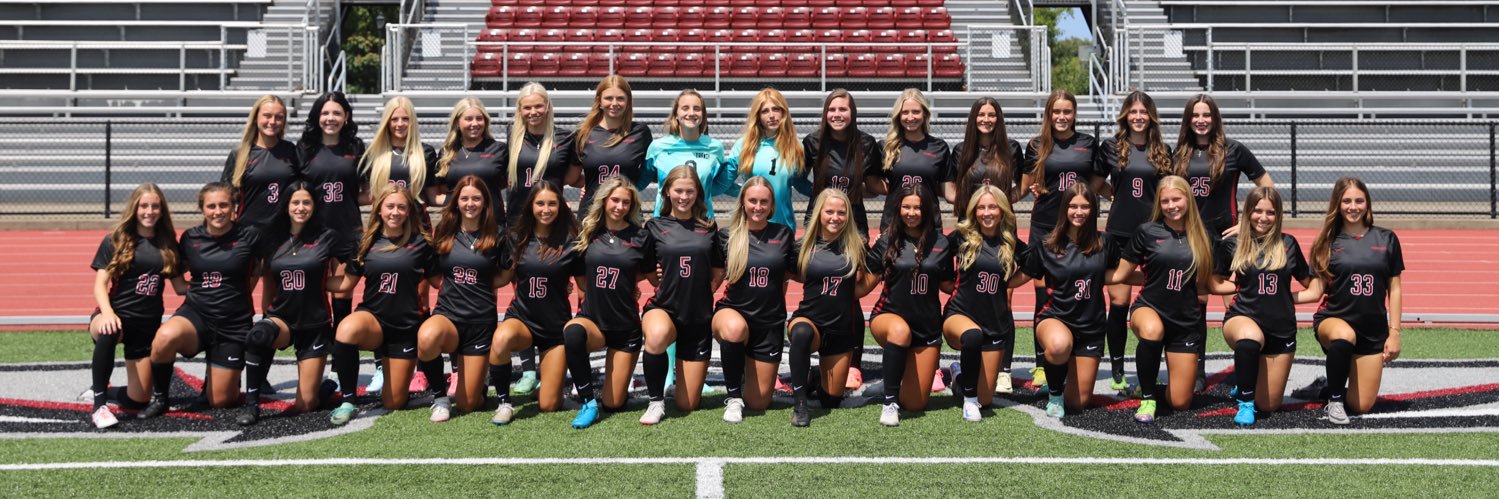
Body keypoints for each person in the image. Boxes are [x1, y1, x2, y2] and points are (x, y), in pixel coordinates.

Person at [141, 183, 267, 422]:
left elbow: (256, 273)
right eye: (211, 206)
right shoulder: (191, 238)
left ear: (233, 207)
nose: (218, 211)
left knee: (221, 401)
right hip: (196, 315)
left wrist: (233, 294)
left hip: (233, 322)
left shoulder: (250, 236)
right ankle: (160, 399)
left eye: (223, 205)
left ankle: (223, 375)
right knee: (165, 337)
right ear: (202, 209)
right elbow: (178, 280)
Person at [1173, 93, 1274, 390]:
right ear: (1188, 120)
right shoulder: (1179, 153)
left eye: (1206, 115)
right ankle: (1198, 371)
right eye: (1195, 115)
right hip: (1193, 238)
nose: (1201, 120)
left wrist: (1246, 222)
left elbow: (1266, 185)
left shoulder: (1234, 150)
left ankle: (1247, 368)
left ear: (1215, 118)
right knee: (1197, 304)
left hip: (1228, 238)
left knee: (1238, 302)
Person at [1014, 89, 1103, 391]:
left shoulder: (1088, 143)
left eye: (1067, 111)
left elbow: (1094, 185)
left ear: (1075, 114)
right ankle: (1043, 364)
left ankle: (1076, 352)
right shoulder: (1036, 145)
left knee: (1079, 287)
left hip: (1078, 226)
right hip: (1045, 225)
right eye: (1057, 112)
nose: (1062, 117)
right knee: (1043, 293)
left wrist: (1125, 196)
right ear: (1049, 114)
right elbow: (1025, 187)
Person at [1109, 176, 1215, 424]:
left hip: (1185, 321)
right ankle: (1148, 398)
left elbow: (1209, 284)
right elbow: (1122, 274)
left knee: (1180, 403)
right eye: (1165, 201)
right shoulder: (1146, 232)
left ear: (1188, 199)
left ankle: (1148, 386)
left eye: (1176, 199)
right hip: (1150, 308)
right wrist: (1082, 273)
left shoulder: (1204, 236)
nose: (1171, 206)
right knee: (1152, 330)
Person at [1209, 186, 1318, 426]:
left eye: (1270, 212)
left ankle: (1245, 382)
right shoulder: (1233, 243)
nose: (1263, 217)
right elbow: (1215, 284)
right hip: (1243, 318)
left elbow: (1312, 287)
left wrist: (1285, 297)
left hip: (1281, 328)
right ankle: (1245, 403)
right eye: (1258, 211)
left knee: (1268, 405)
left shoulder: (1288, 243)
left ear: (1278, 215)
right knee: (1249, 339)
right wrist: (1240, 289)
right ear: (1248, 212)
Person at [327, 184, 434, 425]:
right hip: (373, 319)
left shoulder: (422, 243)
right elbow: (346, 283)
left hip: (404, 328)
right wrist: (314, 282)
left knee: (394, 402)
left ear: (409, 211)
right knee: (346, 329)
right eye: (390, 206)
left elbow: (439, 280)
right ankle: (348, 400)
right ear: (379, 209)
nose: (395, 212)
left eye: (401, 207)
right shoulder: (365, 242)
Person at [1019, 183, 1126, 418]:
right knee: (1059, 346)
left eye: (1085, 206)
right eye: (1073, 206)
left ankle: (1060, 378)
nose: (1079, 212)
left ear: (1093, 209)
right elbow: (1020, 277)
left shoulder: (1105, 242)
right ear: (1064, 209)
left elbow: (1119, 274)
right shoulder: (1047, 244)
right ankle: (1055, 393)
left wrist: (1157, 275)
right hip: (1055, 318)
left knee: (1078, 403)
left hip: (1091, 327)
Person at [248, 181, 350, 425]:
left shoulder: (327, 236)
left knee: (305, 405)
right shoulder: (271, 237)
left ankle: (324, 389)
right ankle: (251, 404)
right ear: (286, 205)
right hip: (282, 319)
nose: (301, 207)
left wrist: (325, 284)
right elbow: (268, 282)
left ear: (314, 206)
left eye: (306, 202)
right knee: (259, 334)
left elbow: (351, 269)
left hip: (315, 324)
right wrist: (266, 318)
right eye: (295, 202)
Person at [87, 184, 185, 428]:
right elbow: (100, 285)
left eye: (155, 206)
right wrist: (108, 313)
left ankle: (104, 391)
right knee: (108, 331)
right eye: (144, 206)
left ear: (162, 210)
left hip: (146, 325)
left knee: (139, 399)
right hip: (115, 315)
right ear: (135, 208)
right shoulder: (116, 239)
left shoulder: (168, 243)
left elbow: (180, 287)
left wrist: (216, 284)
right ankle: (99, 406)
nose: (149, 211)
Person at [360, 95, 439, 394]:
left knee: (420, 300)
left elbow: (432, 196)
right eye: (395, 118)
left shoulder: (424, 152)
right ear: (387, 122)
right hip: (385, 231)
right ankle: (381, 366)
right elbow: (366, 195)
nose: (400, 123)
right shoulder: (375, 153)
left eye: (405, 118)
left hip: (417, 232)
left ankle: (422, 367)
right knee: (381, 298)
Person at [1307, 177, 1403, 424]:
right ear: (1337, 205)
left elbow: (1394, 289)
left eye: (1359, 201)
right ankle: (1334, 402)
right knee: (1344, 336)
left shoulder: (1387, 238)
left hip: (1372, 329)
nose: (1353, 207)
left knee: (1361, 405)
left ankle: (1325, 386)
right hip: (1334, 319)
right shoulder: (1326, 242)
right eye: (1346, 201)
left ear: (1367, 203)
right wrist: (1278, 295)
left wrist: (1394, 333)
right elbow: (1315, 291)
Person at [562, 177, 655, 429]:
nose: (620, 206)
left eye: (626, 202)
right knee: (572, 333)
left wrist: (626, 282)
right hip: (593, 321)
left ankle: (612, 396)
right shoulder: (588, 233)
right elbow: (582, 281)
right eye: (615, 200)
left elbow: (651, 276)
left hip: (625, 328)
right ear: (604, 201)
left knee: (613, 403)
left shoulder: (641, 237)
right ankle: (587, 403)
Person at [503, 82, 577, 394]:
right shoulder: (512, 135)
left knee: (556, 288)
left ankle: (560, 353)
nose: (533, 112)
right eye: (527, 107)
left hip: (554, 225)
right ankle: (528, 369)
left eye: (538, 105)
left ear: (547, 107)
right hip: (518, 226)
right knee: (523, 293)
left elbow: (575, 177)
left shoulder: (564, 138)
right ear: (520, 110)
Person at [488, 181, 582, 425]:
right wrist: (466, 276)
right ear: (531, 206)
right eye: (540, 203)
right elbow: (503, 278)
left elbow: (584, 287)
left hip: (555, 327)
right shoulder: (516, 238)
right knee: (501, 339)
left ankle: (552, 387)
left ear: (561, 206)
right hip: (523, 319)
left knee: (548, 405)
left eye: (552, 203)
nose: (546, 209)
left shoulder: (572, 242)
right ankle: (504, 402)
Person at [416, 176, 509, 422]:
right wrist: (454, 284)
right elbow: (434, 274)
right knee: (426, 337)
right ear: (456, 201)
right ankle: (440, 398)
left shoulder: (498, 235)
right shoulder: (444, 231)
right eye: (464, 198)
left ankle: (481, 381)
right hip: (448, 315)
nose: (470, 204)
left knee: (468, 404)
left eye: (476, 198)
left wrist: (479, 283)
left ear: (485, 202)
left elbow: (505, 275)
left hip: (479, 322)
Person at [1098, 90, 1173, 390]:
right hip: (1119, 232)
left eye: (1143, 112)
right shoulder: (1111, 147)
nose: (1138, 117)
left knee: (1156, 300)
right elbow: (1094, 184)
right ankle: (1118, 371)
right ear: (1125, 115)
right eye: (1133, 111)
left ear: (1151, 116)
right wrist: (1115, 195)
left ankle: (1151, 365)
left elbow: (1169, 190)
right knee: (1119, 302)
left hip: (1154, 234)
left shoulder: (1163, 150)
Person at [785, 189, 880, 427]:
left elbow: (860, 286)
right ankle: (800, 405)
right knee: (801, 334)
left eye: (841, 212)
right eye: (829, 212)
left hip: (840, 330)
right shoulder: (803, 246)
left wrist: (880, 271)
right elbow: (786, 274)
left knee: (831, 400)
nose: (835, 217)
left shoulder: (857, 245)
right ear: (819, 213)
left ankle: (815, 375)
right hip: (810, 321)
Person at [639, 165, 725, 424]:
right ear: (667, 191)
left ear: (697, 193)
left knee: (687, 404)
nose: (684, 197)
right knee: (656, 337)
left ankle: (678, 387)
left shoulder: (708, 226)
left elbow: (718, 269)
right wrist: (661, 280)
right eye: (678, 191)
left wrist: (705, 290)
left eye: (690, 191)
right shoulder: (654, 226)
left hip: (698, 317)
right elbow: (648, 270)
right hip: (665, 308)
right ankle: (655, 402)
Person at [868, 184, 956, 427]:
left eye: (917, 207)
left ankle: (952, 375)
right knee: (900, 332)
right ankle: (889, 402)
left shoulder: (941, 243)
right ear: (898, 208)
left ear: (927, 210)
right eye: (906, 207)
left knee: (915, 404)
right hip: (888, 318)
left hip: (926, 327)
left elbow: (947, 285)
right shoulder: (887, 240)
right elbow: (863, 282)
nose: (911, 212)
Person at [711, 176, 796, 423]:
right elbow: (714, 278)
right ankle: (733, 398)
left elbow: (794, 272)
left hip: (769, 322)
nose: (758, 207)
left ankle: (745, 374)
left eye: (763, 202)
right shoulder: (727, 235)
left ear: (771, 206)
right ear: (743, 202)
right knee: (735, 329)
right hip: (733, 312)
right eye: (752, 201)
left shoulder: (783, 234)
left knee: (758, 403)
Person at [942, 185, 1027, 421]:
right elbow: (934, 253)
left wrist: (1007, 283)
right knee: (972, 336)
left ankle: (959, 375)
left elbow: (1035, 265)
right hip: (960, 315)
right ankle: (969, 401)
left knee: (986, 400)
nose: (987, 213)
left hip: (994, 322)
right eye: (981, 208)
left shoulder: (1011, 243)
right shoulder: (961, 237)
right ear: (974, 211)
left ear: (1002, 211)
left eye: (992, 207)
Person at [296, 91, 365, 340]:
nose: (330, 118)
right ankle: (316, 343)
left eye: (336, 113)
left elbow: (365, 191)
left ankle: (341, 348)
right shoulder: (305, 148)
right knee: (313, 288)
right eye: (325, 113)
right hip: (313, 229)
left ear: (346, 116)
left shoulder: (356, 147)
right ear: (317, 116)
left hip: (346, 227)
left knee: (343, 291)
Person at [870, 88, 952, 229]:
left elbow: (948, 192)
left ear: (924, 113)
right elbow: (873, 183)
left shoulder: (939, 147)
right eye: (905, 112)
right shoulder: (886, 147)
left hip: (929, 223)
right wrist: (898, 190)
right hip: (893, 223)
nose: (910, 117)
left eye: (915, 112)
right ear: (898, 115)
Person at [729, 87, 808, 230]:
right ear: (758, 116)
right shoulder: (743, 146)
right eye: (765, 111)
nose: (771, 115)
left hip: (784, 228)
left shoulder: (796, 147)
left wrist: (824, 191)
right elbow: (724, 184)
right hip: (750, 227)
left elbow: (799, 183)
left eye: (776, 109)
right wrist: (745, 193)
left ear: (783, 112)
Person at [644, 88, 733, 215]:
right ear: (676, 114)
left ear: (703, 115)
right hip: (664, 222)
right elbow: (642, 181)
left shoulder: (715, 147)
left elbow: (722, 183)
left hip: (703, 221)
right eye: (685, 108)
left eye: (697, 109)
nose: (691, 113)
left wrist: (748, 190)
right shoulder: (657, 147)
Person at [573, 75, 652, 215]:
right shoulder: (583, 133)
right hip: (591, 212)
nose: (614, 103)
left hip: (626, 212)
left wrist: (633, 188)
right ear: (599, 101)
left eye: (620, 98)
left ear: (628, 101)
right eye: (609, 98)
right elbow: (572, 177)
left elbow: (649, 172)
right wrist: (589, 185)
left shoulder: (640, 132)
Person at [222, 95, 300, 227]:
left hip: (283, 230)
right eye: (267, 116)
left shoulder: (291, 150)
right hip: (248, 230)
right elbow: (225, 195)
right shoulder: (239, 154)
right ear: (255, 117)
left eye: (279, 117)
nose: (272, 121)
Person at [948, 96, 1025, 219]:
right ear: (973, 118)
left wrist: (1002, 202)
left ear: (998, 118)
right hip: (969, 219)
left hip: (1002, 220)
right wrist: (973, 204)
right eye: (981, 115)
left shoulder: (1011, 148)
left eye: (992, 115)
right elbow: (951, 190)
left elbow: (1023, 185)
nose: (986, 119)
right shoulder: (960, 150)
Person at [435, 97, 508, 221]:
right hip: (456, 222)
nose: (474, 124)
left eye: (479, 118)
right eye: (468, 119)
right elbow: (443, 188)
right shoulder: (446, 152)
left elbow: (505, 182)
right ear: (457, 122)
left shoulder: (499, 149)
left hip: (492, 221)